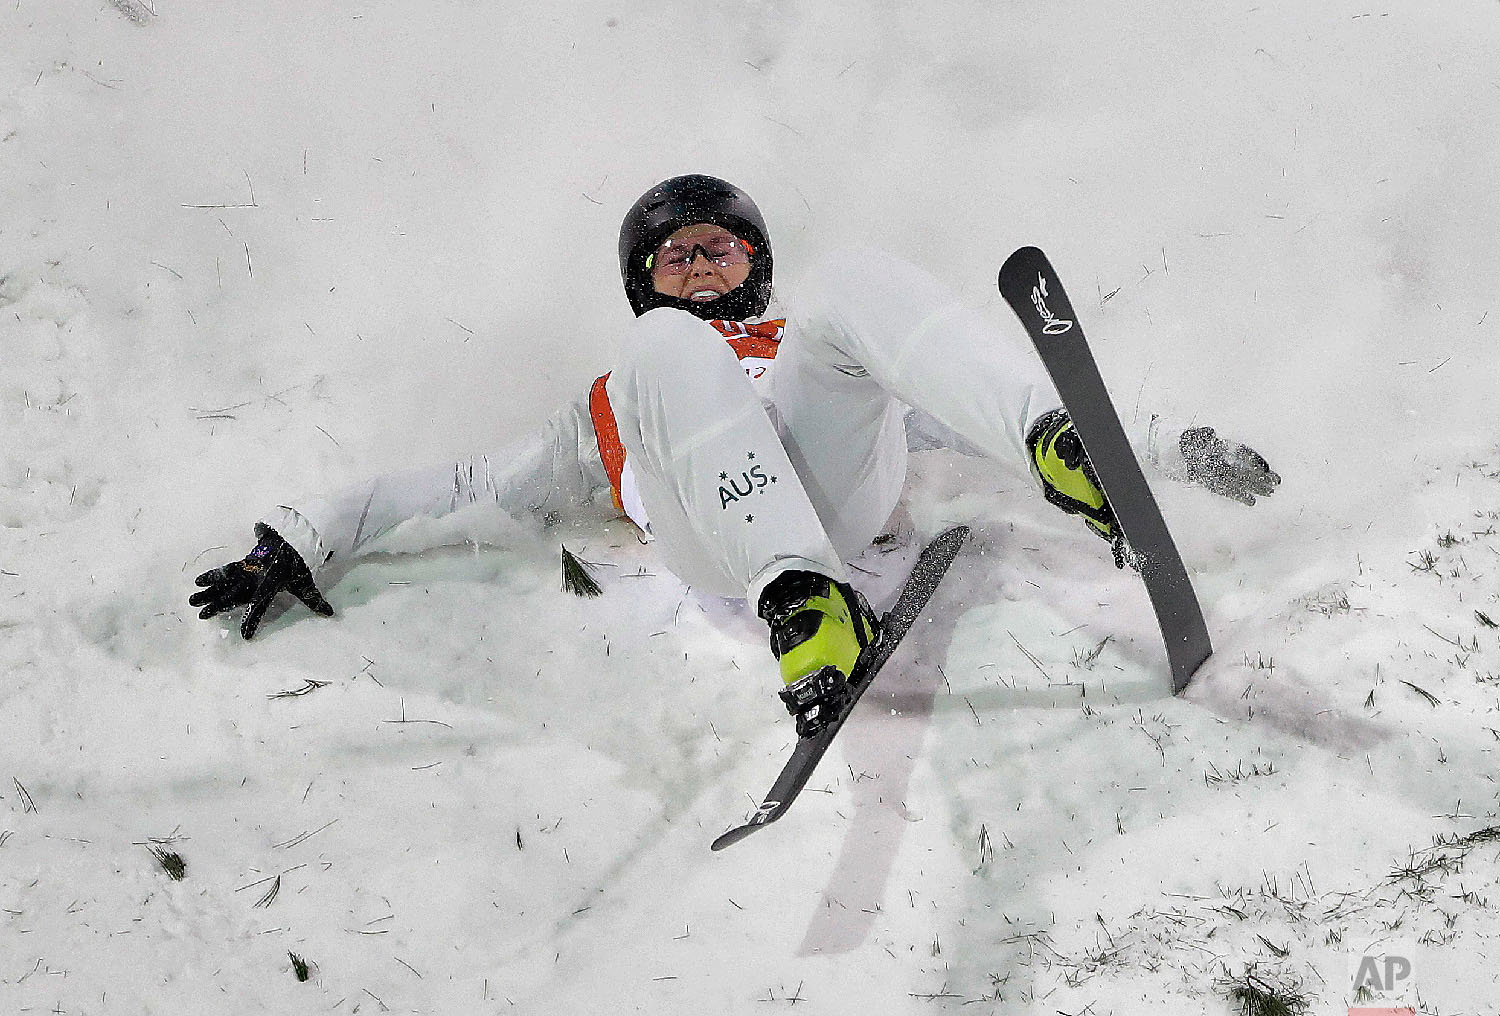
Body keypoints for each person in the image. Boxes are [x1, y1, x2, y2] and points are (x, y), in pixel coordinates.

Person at [191, 175, 1279, 736]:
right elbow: (464, 485)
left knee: (853, 280)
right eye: (676, 255)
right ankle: (805, 603)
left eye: (720, 246)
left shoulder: (806, 351)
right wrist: (304, 533)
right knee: (661, 358)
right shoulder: (624, 386)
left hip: (842, 493)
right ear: (644, 280)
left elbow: (950, 413)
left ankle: (1069, 449)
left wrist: (1163, 451)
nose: (701, 265)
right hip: (728, 548)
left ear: (754, 261)